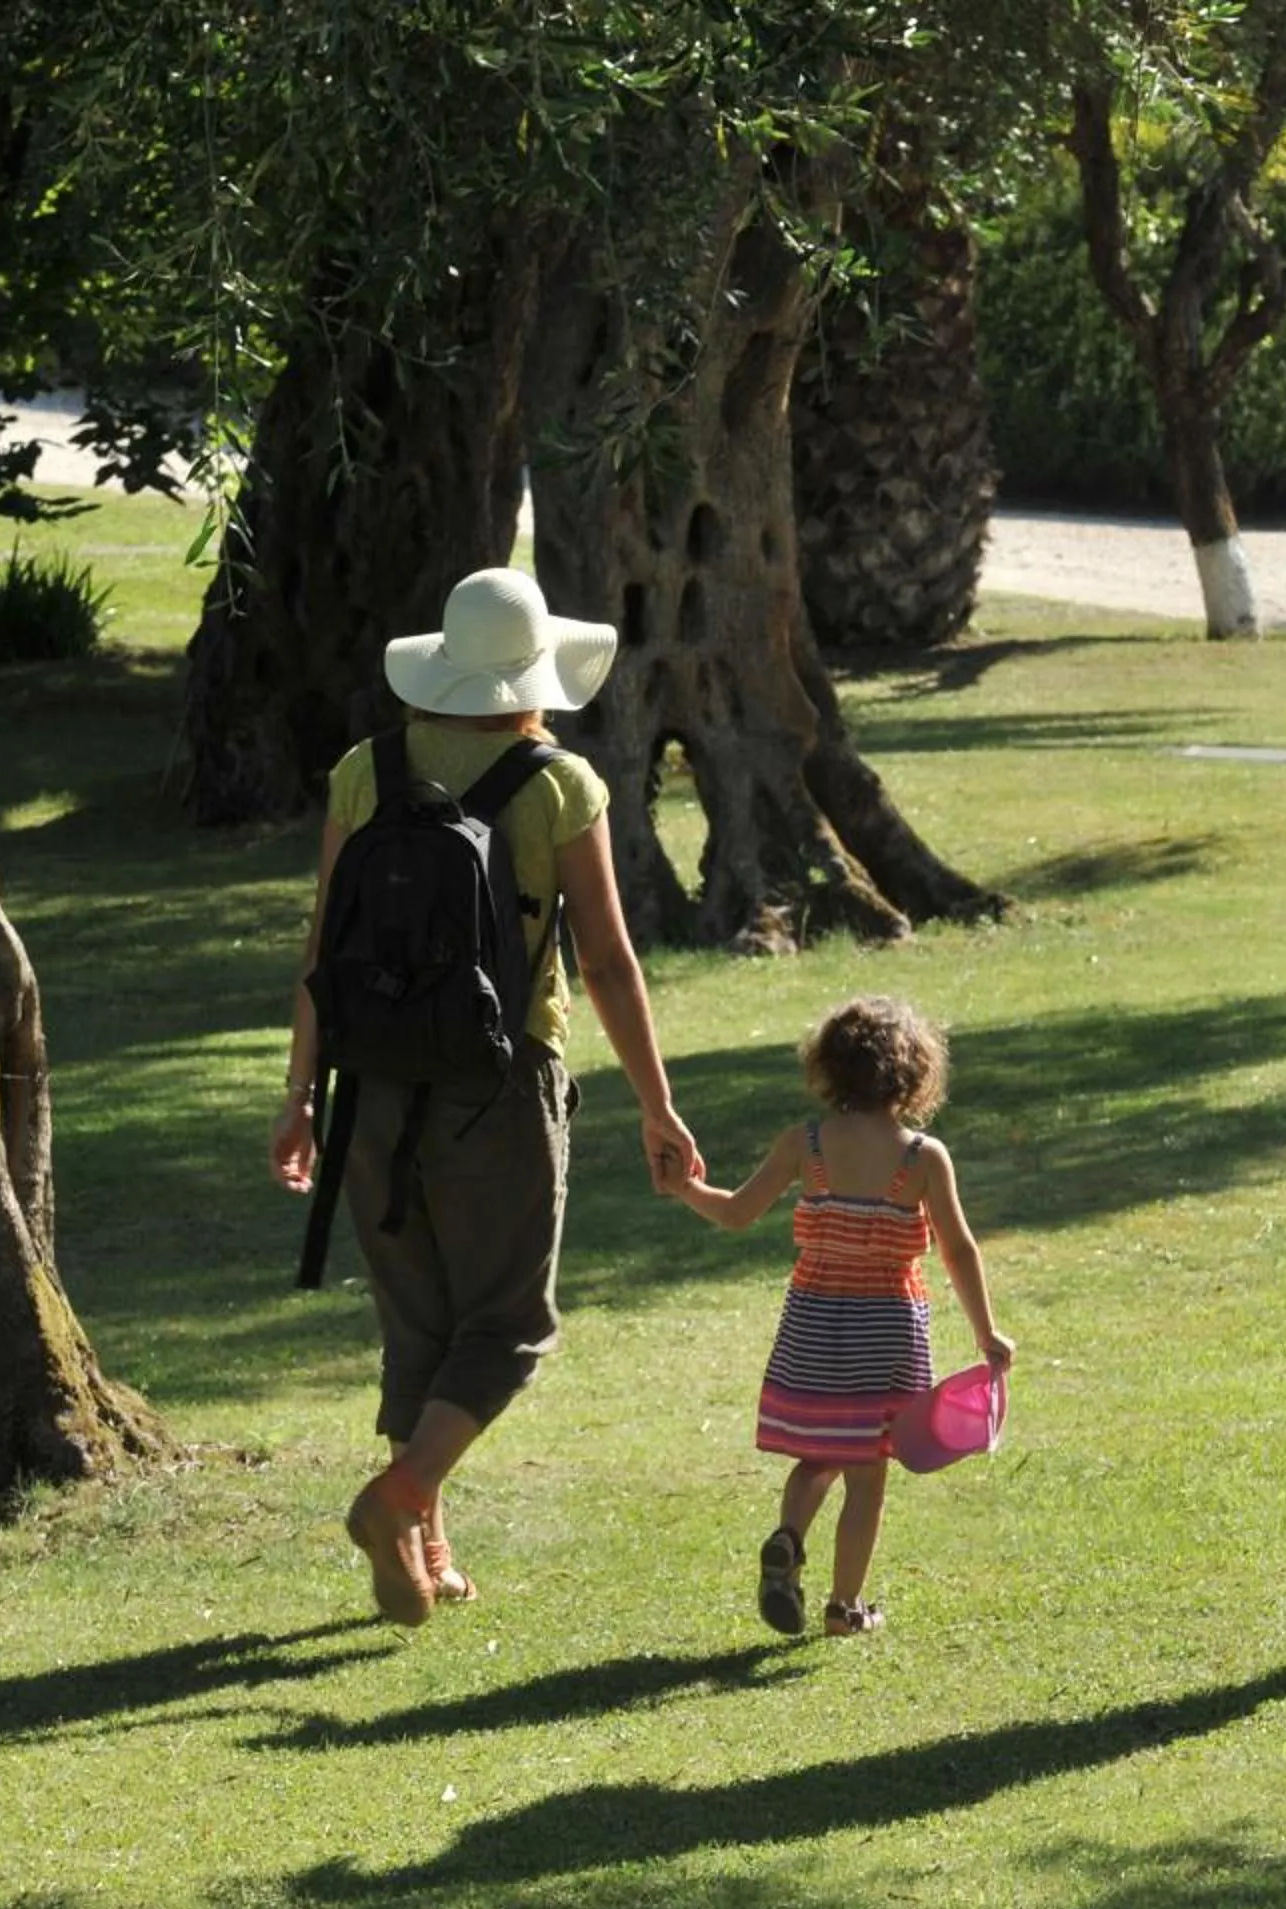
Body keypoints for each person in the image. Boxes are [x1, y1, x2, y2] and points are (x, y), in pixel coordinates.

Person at [272, 567, 699, 1629]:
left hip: (370, 1081)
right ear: (534, 675)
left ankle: (425, 1548)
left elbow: (324, 948)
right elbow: (604, 962)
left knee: (418, 1314)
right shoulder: (558, 784)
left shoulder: (365, 769)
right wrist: (658, 1103)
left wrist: (299, 1095)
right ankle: (402, 1498)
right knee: (508, 1320)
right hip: (501, 1084)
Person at [672, 996, 1011, 1638]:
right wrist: (986, 1331)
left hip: (812, 1330)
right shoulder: (922, 1157)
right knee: (867, 1473)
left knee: (817, 1456)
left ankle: (789, 1538)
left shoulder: (805, 1144)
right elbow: (959, 1248)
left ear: (829, 1068)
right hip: (884, 1335)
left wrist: (687, 1188)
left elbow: (739, 1212)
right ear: (914, 1076)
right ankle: (844, 1609)